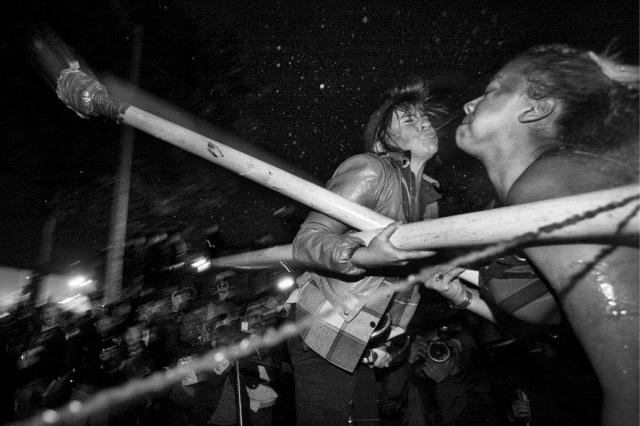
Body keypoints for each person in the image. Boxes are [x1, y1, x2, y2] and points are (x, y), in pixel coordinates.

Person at [450, 44, 638, 425]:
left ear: (537, 108)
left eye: (492, 90)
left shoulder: (549, 187)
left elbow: (634, 383)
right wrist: (459, 294)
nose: (469, 104)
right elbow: (555, 318)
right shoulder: (509, 208)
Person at [289, 77, 445, 424]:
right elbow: (307, 240)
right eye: (409, 119)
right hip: (326, 319)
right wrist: (363, 256)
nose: (424, 123)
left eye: (424, 117)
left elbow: (406, 284)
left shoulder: (429, 198)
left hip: (365, 334)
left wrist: (390, 341)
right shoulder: (371, 170)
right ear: (381, 141)